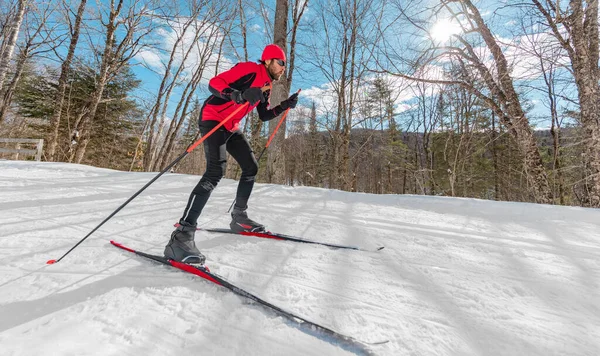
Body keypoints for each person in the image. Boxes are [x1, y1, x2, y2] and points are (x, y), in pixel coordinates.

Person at [164, 44, 299, 264]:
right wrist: (237, 95)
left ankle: (239, 217)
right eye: (280, 62)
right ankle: (181, 236)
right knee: (215, 171)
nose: (283, 67)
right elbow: (214, 84)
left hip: (231, 125)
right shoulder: (248, 69)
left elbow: (264, 115)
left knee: (251, 167)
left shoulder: (267, 84)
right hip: (213, 118)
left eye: (285, 64)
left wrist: (285, 105)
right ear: (267, 60)